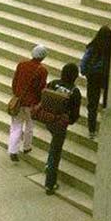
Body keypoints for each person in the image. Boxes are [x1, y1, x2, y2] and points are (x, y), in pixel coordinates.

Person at [40, 63, 82, 195]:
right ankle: (50, 184)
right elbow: (75, 114)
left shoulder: (53, 83)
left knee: (54, 145)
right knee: (55, 152)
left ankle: (49, 165)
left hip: (48, 119)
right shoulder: (75, 92)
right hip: (60, 124)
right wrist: (68, 121)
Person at [9, 44, 48, 162]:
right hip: (32, 103)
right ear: (43, 57)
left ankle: (13, 150)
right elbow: (40, 88)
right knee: (29, 126)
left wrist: (16, 94)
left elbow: (15, 82)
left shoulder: (21, 65)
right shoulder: (42, 70)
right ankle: (27, 147)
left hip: (19, 101)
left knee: (16, 126)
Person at [80, 25, 111, 139]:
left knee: (92, 104)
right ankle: (106, 126)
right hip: (106, 77)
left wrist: (86, 72)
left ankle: (92, 130)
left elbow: (84, 63)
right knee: (106, 102)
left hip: (93, 78)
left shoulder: (93, 47)